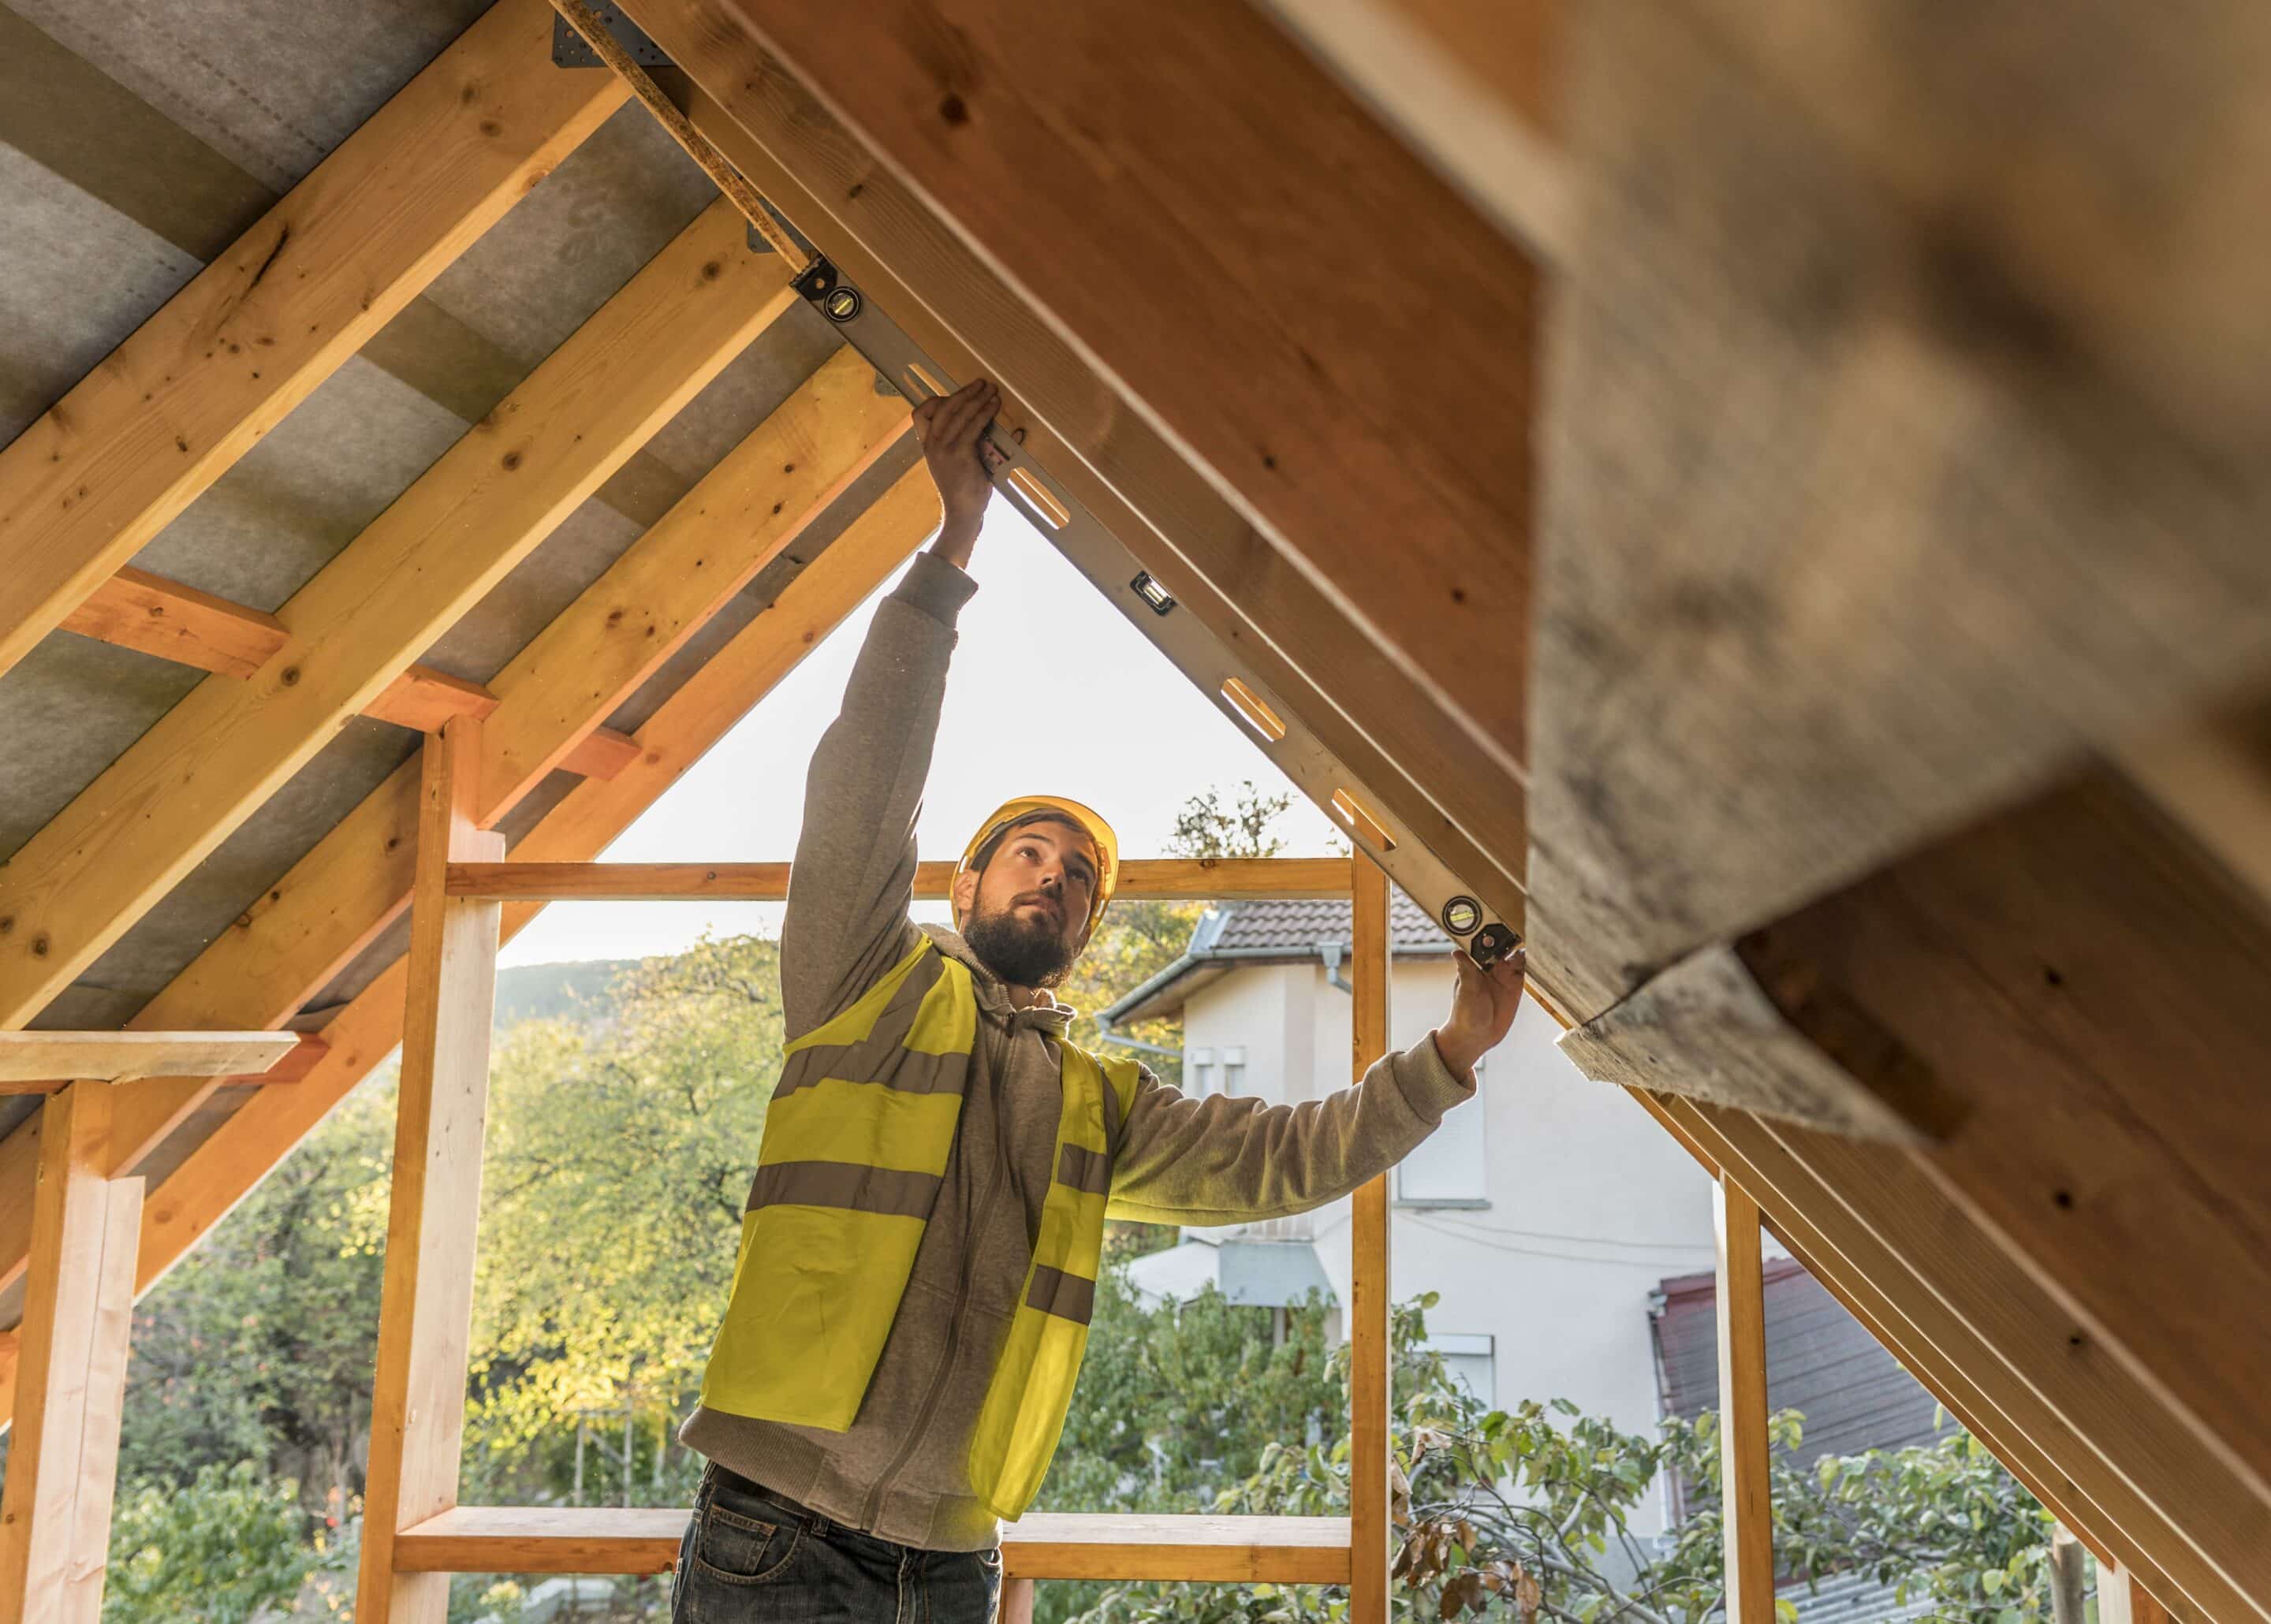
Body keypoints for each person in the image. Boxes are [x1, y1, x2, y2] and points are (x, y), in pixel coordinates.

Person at [670, 378, 1527, 1624]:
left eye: (1077, 878)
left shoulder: (1094, 1101)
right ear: (961, 881)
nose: (1055, 879)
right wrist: (951, 552)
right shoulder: (863, 981)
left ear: (1081, 935)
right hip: (776, 1530)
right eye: (1028, 853)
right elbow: (862, 783)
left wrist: (1450, 1054)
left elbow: (1281, 1161)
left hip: (953, 1561)